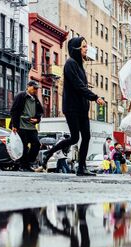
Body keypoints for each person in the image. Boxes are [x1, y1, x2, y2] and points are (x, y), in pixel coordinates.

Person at [41, 37, 105, 176]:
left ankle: (82, 167)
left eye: (86, 46)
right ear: (76, 49)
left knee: (86, 136)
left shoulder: (80, 65)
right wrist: (94, 97)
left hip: (82, 108)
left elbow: (82, 87)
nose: (86, 49)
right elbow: (78, 86)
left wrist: (89, 100)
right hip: (72, 108)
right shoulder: (70, 64)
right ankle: (49, 152)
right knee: (75, 137)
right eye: (83, 46)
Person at [10, 81, 43, 171]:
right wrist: (14, 125)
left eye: (37, 89)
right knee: (24, 146)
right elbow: (14, 110)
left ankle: (28, 162)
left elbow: (40, 111)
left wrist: (37, 119)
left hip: (31, 126)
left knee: (36, 144)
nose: (35, 90)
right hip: (21, 125)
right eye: (34, 88)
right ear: (28, 86)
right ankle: (24, 166)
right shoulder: (21, 95)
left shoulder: (35, 98)